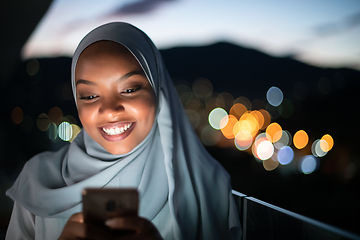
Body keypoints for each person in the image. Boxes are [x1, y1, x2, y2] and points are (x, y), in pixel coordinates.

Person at [6, 22, 241, 240]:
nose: (110, 110)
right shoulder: (37, 181)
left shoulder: (207, 185)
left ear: (158, 91)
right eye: (89, 96)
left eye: (129, 89)